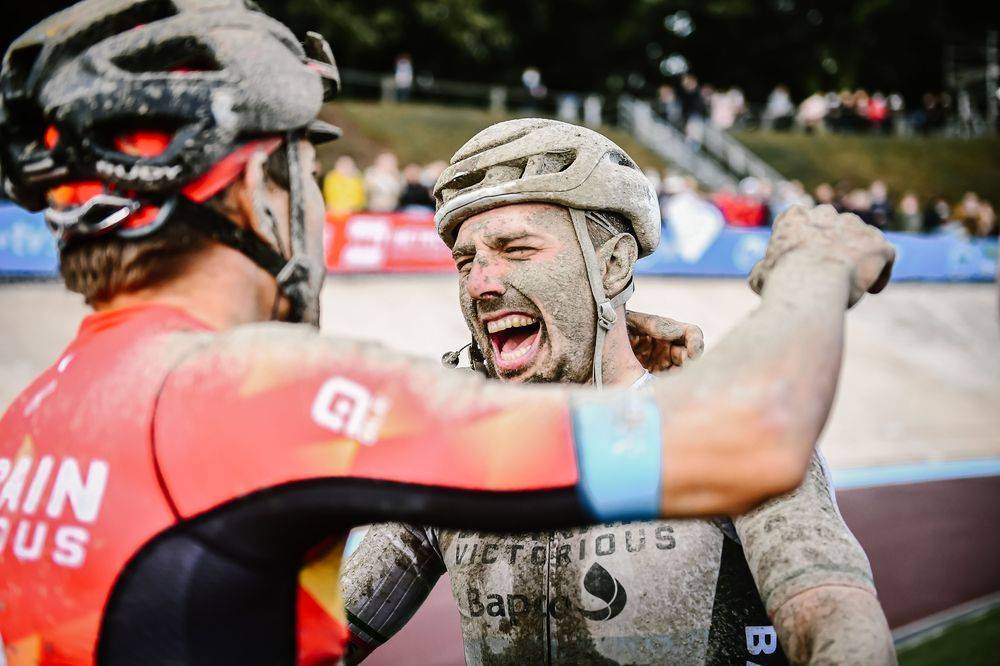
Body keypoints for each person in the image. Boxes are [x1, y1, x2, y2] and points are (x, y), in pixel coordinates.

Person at [0, 4, 895, 663]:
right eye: (308, 172)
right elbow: (754, 429)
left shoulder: (33, 419)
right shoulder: (269, 390)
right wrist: (812, 265)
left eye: (513, 247)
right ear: (252, 194)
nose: (483, 279)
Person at [341, 120, 895, 665]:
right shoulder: (453, 458)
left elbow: (845, 633)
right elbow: (313, 639)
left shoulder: (724, 433)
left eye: (516, 249)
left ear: (612, 266)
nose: (481, 283)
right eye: (467, 261)